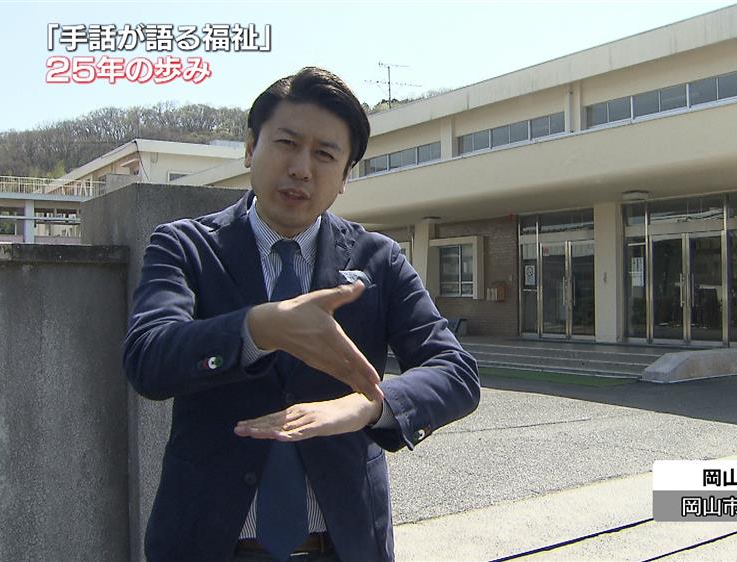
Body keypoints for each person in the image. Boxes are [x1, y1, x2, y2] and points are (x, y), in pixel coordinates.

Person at [123, 66, 480, 562]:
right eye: (286, 144)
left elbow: (456, 371)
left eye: (325, 154)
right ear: (251, 148)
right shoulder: (184, 247)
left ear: (344, 177)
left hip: (341, 546)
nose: (302, 169)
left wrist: (371, 406)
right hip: (209, 544)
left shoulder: (378, 259)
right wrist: (258, 328)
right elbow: (148, 359)